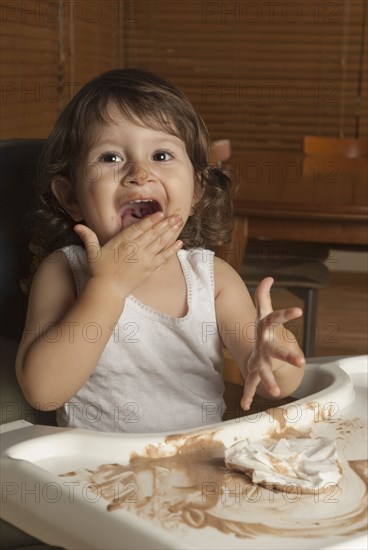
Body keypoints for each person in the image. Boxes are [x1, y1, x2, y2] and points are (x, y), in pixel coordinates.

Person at [16, 68, 305, 433]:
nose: (139, 173)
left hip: (195, 464)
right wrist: (108, 288)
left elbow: (275, 384)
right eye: (110, 158)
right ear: (71, 197)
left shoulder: (212, 279)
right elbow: (43, 393)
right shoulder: (64, 271)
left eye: (162, 155)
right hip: (90, 472)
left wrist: (272, 354)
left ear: (197, 190)